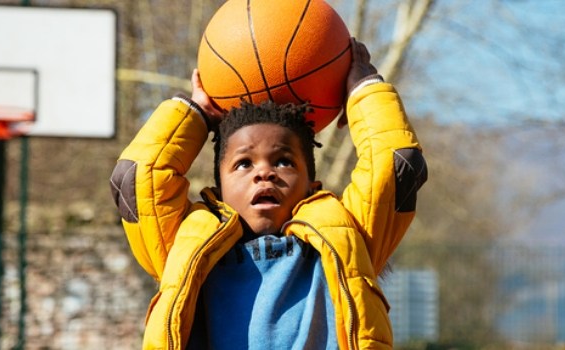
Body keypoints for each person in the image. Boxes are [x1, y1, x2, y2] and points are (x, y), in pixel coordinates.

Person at [110, 39, 427, 350]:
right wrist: (194, 113)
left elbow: (396, 165)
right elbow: (137, 179)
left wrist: (363, 90)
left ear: (310, 186)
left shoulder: (347, 236)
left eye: (284, 161)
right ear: (219, 188)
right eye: (244, 163)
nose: (265, 172)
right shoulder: (185, 242)